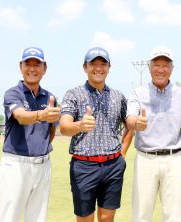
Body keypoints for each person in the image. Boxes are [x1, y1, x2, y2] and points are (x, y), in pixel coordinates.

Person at [59, 47, 130, 222]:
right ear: (85, 67)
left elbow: (130, 125)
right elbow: (64, 127)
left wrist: (123, 152)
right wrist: (80, 125)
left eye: (102, 64)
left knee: (107, 218)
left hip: (113, 164)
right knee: (85, 218)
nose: (98, 68)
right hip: (84, 166)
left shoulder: (118, 96)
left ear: (109, 67)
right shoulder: (73, 94)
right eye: (93, 64)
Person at [126, 46, 181, 222]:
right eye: (156, 64)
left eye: (166, 65)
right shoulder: (137, 93)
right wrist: (136, 123)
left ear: (172, 68)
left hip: (174, 159)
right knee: (141, 214)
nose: (161, 69)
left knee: (174, 215)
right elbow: (130, 118)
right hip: (145, 158)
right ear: (149, 67)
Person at [0, 47, 60, 221]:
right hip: (15, 165)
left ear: (44, 68)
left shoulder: (50, 97)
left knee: (38, 218)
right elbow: (20, 116)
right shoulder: (13, 93)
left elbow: (51, 131)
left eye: (37, 64)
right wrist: (41, 115)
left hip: (42, 165)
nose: (32, 69)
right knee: (9, 217)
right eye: (28, 64)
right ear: (21, 67)